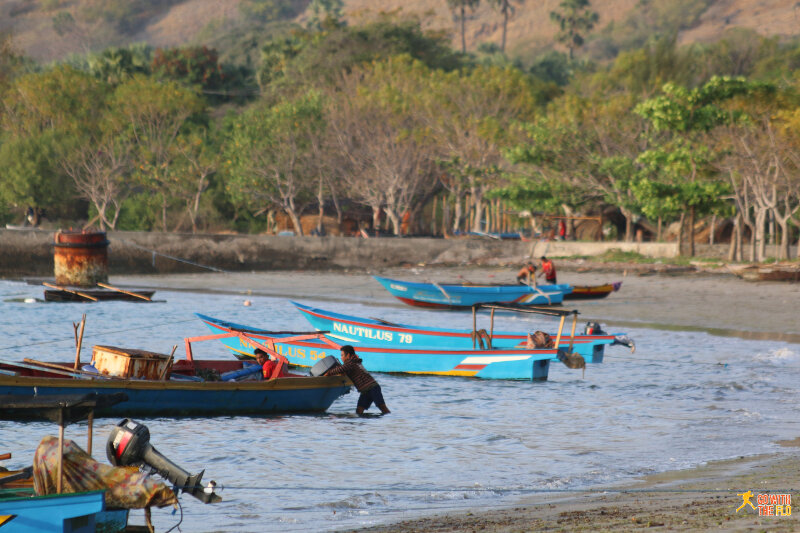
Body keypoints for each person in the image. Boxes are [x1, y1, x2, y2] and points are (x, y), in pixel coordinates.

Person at [323, 345, 390, 415]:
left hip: (372, 388)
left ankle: (389, 419)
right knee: (359, 411)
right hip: (365, 391)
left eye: (342, 355)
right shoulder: (354, 362)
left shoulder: (351, 363)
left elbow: (341, 369)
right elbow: (344, 370)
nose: (341, 357)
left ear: (348, 355)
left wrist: (328, 373)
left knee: (382, 407)